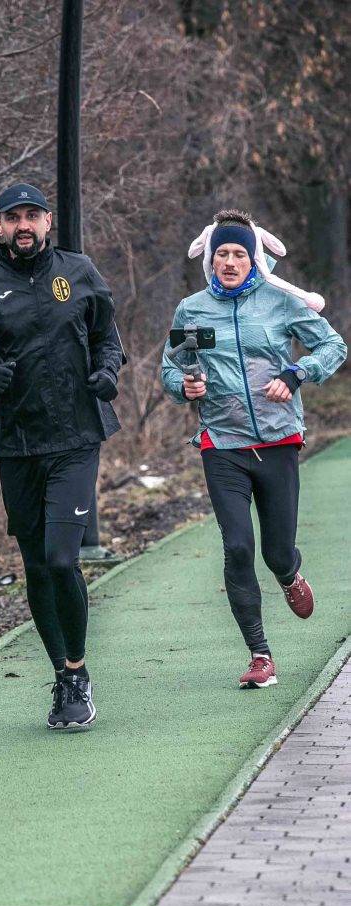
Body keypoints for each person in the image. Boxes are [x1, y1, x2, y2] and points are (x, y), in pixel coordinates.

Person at [0, 183, 124, 728]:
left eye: (33, 216)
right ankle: (62, 679)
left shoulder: (79, 271)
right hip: (17, 443)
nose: (24, 225)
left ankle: (78, 670)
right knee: (37, 564)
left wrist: (108, 372)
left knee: (63, 558)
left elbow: (109, 337)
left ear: (47, 223)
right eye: (12, 217)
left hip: (75, 436)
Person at [162, 209, 346, 689]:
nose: (229, 261)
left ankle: (289, 575)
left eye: (239, 253)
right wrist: (185, 387)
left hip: (279, 441)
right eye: (221, 253)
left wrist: (296, 374)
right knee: (238, 547)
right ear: (210, 259)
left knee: (276, 551)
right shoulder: (193, 310)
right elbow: (170, 368)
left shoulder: (281, 303)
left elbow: (333, 346)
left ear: (255, 259)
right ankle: (260, 654)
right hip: (221, 444)